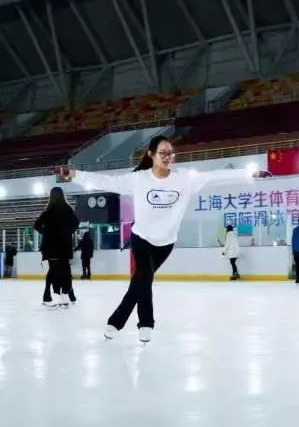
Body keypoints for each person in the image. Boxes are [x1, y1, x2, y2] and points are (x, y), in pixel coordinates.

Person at [64, 135, 250, 343]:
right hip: (141, 238)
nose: (168, 157)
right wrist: (75, 175)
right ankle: (132, 323)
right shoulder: (139, 179)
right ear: (151, 155)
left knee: (141, 280)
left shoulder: (184, 180)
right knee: (145, 277)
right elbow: (107, 182)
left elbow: (216, 176)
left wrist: (250, 173)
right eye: (162, 153)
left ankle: (134, 323)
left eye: (170, 153)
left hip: (166, 243)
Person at [34, 187, 79, 309]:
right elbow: (76, 223)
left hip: (51, 246)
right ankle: (65, 297)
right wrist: (67, 232)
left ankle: (57, 297)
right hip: (64, 245)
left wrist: (47, 233)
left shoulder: (49, 210)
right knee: (65, 271)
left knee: (54, 271)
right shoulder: (67, 209)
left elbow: (36, 225)